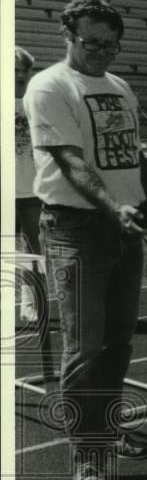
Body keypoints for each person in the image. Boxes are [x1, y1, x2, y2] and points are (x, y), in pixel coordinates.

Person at [24, 0, 147, 480]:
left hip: (124, 227)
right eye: (92, 43)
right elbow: (70, 159)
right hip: (75, 230)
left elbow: (132, 159)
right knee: (83, 348)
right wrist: (114, 209)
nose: (102, 52)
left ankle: (108, 431)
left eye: (111, 44)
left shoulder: (119, 86)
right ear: (68, 37)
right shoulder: (49, 85)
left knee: (119, 343)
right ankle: (86, 453)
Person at [15, 46, 42, 323]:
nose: (21, 75)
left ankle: (29, 301)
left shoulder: (35, 103)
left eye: (25, 69)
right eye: (14, 70)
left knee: (34, 249)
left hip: (33, 189)